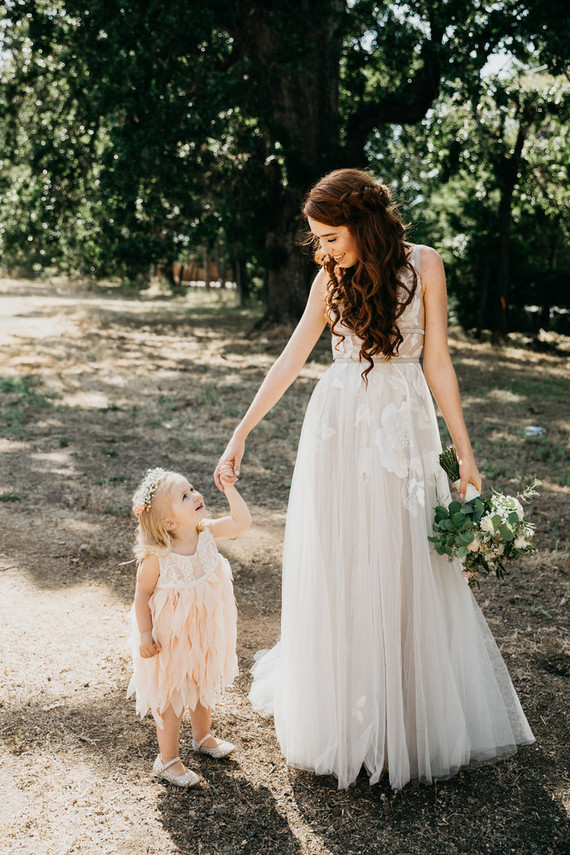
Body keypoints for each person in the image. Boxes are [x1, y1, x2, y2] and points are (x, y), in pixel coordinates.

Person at [214, 168, 534, 791]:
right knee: (344, 558)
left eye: (331, 237)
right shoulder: (328, 278)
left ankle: (406, 711)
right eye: (318, 240)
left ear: (363, 223)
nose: (323, 250)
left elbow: (438, 359)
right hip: (338, 425)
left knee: (405, 554)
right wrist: (241, 431)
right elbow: (292, 355)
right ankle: (349, 709)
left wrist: (463, 453)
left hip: (403, 425)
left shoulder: (426, 265)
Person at [127, 463, 250, 787]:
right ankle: (167, 760)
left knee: (202, 678)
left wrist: (229, 488)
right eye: (185, 495)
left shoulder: (205, 531)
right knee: (171, 693)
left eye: (192, 489)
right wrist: (144, 633)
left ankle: (202, 736)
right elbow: (141, 595)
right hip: (170, 638)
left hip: (205, 630)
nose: (196, 495)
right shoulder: (158, 556)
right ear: (168, 522)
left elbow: (242, 522)